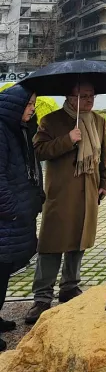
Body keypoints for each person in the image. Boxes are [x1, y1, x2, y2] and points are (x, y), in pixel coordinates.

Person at [25, 81, 106, 325]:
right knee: (51, 245)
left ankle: (70, 288)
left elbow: (104, 157)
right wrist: (68, 139)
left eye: (91, 95)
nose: (89, 100)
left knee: (79, 241)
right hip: (61, 194)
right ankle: (42, 297)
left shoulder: (98, 121)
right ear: (69, 97)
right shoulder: (51, 121)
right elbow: (39, 151)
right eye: (83, 96)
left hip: (88, 192)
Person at [0, 85, 42, 351]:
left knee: (3, 273)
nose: (33, 109)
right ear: (16, 106)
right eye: (29, 105)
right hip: (6, 218)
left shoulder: (19, 131)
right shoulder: (1, 133)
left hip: (14, 217)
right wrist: (12, 209)